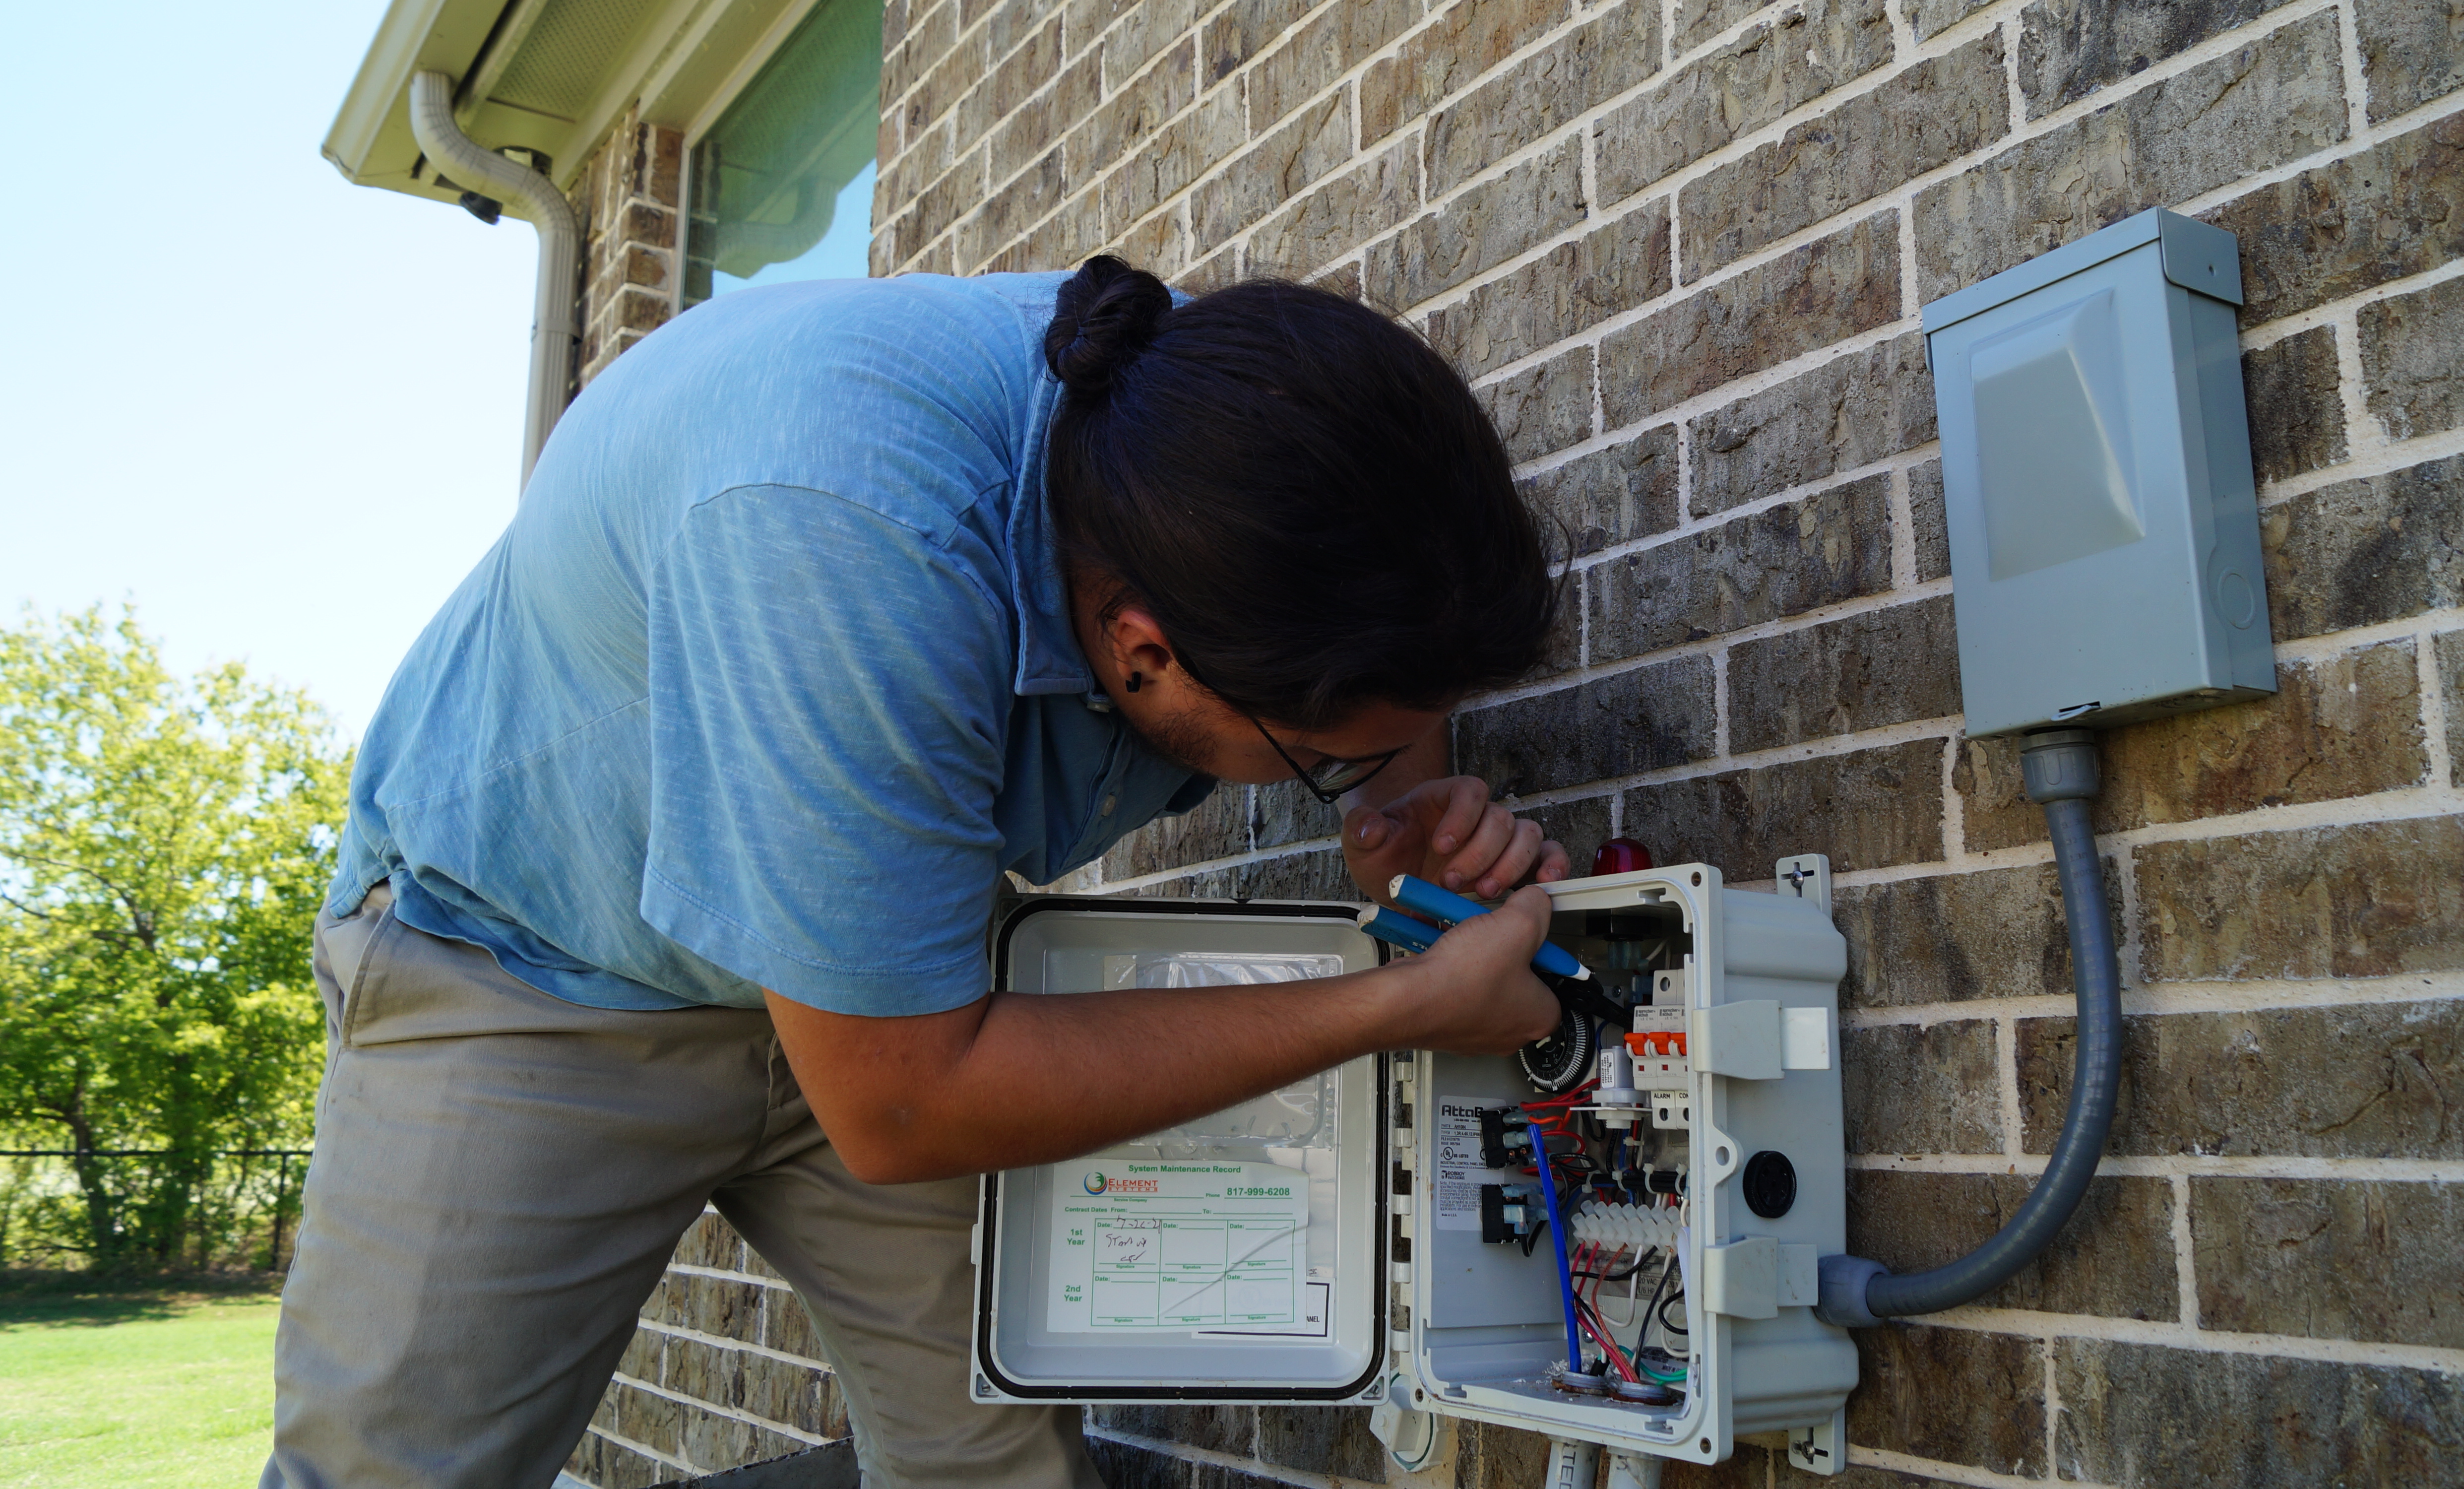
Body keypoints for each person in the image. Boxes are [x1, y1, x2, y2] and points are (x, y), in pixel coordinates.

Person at [262, 257, 1572, 1489]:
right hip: (532, 961)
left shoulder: (1190, 439)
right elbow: (902, 1106)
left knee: (995, 1464)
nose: (1363, 770)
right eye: (1327, 759)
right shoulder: (843, 537)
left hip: (895, 973)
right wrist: (1399, 1006)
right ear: (1142, 646)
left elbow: (1379, 646)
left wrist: (1398, 808)